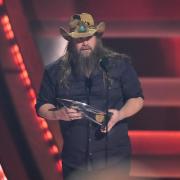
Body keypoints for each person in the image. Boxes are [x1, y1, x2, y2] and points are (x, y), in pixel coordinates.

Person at [35, 13, 144, 179]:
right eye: (79, 39)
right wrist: (57, 113)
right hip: (76, 162)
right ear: (71, 41)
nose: (84, 43)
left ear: (97, 38)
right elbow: (42, 106)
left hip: (114, 160)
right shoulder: (54, 72)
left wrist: (119, 114)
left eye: (88, 37)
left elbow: (137, 99)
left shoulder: (119, 65)